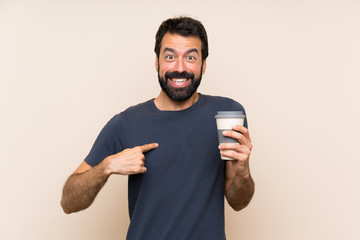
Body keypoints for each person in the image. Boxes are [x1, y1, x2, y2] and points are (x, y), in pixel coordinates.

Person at [61, 16, 255, 240]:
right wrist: (107, 165)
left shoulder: (227, 113)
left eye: (190, 57)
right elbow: (68, 201)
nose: (180, 68)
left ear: (203, 65)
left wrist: (243, 172)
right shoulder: (126, 123)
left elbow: (238, 202)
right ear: (157, 62)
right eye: (170, 56)